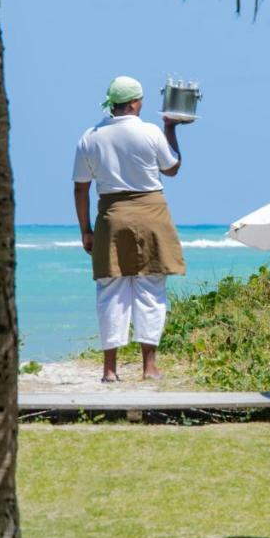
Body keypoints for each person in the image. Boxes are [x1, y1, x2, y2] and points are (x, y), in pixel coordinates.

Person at [73, 76, 190, 382]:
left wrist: (85, 229)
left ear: (112, 104)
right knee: (151, 289)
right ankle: (149, 367)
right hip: (152, 214)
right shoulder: (150, 132)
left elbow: (81, 189)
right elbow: (172, 167)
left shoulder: (90, 136)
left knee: (111, 292)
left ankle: (109, 369)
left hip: (112, 215)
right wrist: (170, 128)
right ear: (136, 102)